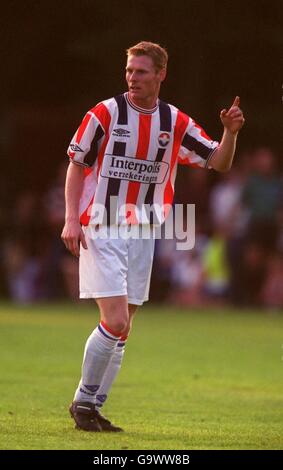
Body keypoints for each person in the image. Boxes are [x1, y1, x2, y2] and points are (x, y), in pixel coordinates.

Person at [61, 41, 245, 432]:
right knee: (113, 320)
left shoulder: (174, 121)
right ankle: (82, 403)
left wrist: (229, 133)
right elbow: (76, 165)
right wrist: (70, 219)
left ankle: (92, 407)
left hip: (144, 229)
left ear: (161, 74)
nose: (132, 78)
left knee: (124, 326)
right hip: (103, 224)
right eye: (129, 70)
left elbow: (219, 161)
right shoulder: (105, 113)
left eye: (141, 72)